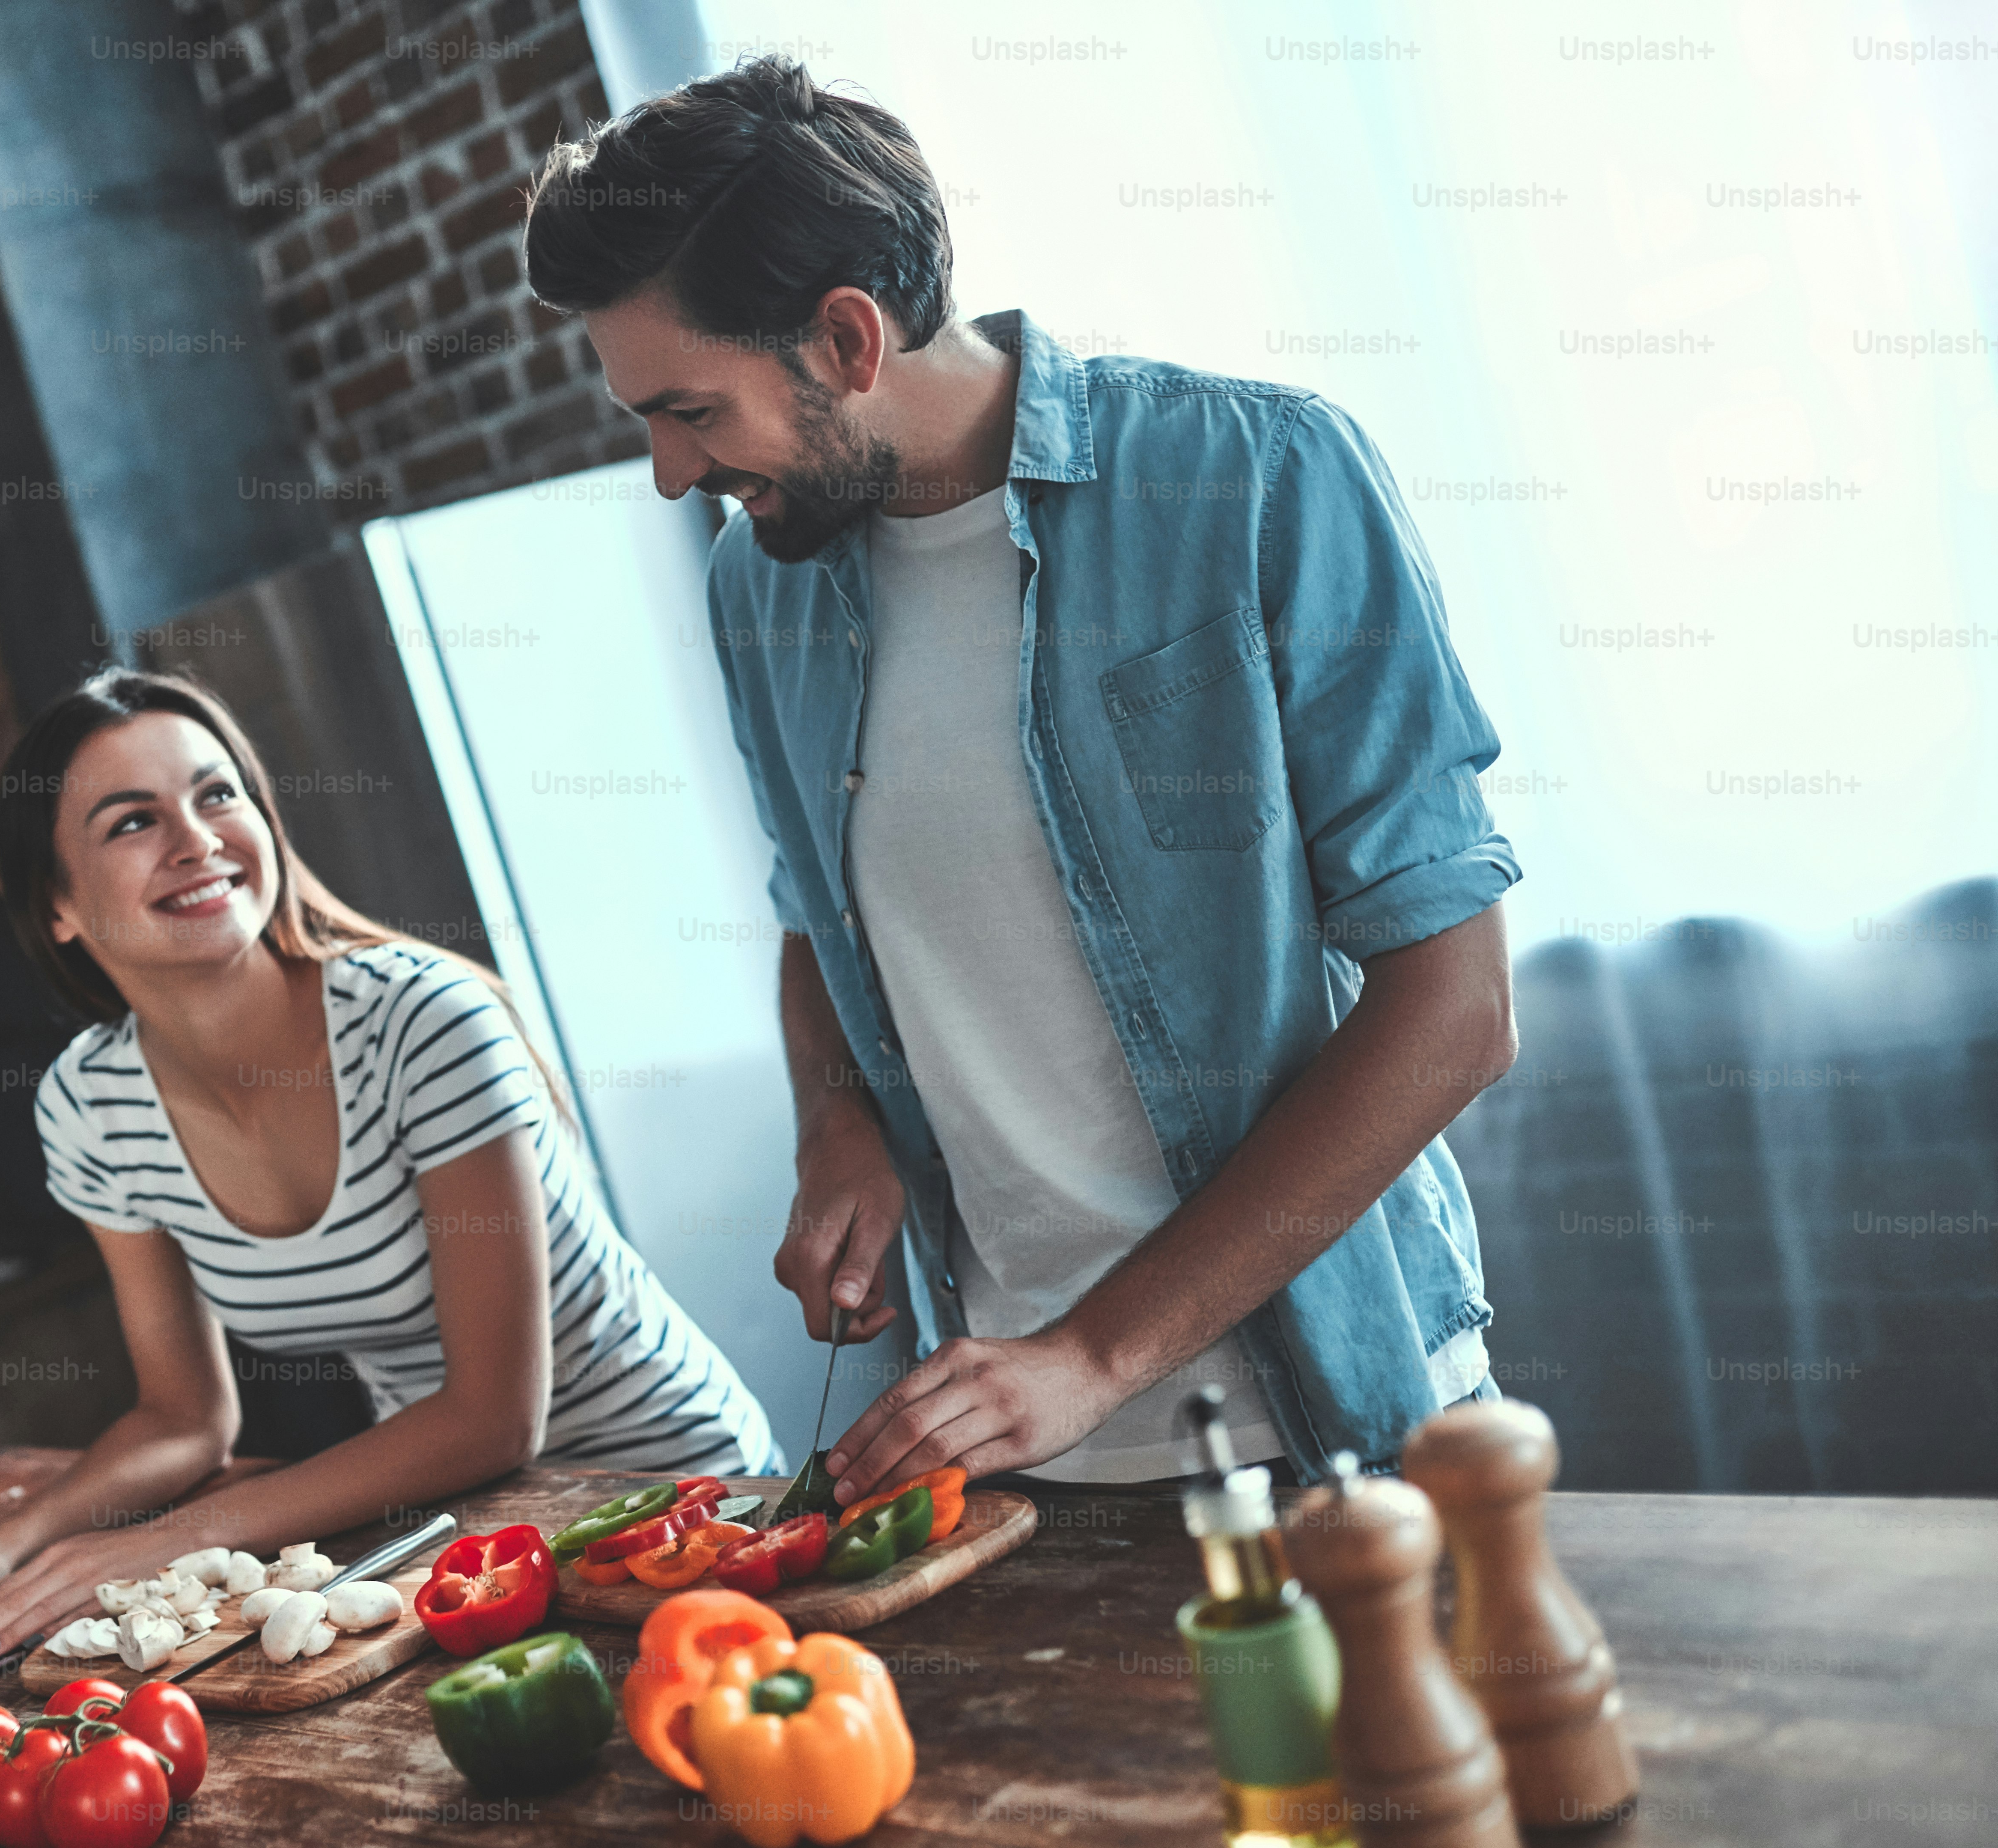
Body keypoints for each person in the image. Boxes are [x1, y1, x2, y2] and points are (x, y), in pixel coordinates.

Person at [522, 58, 1521, 1500]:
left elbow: (1457, 1010)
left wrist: (1093, 1355)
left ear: (849, 339)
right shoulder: (766, 587)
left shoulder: (1257, 479)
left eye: (691, 411)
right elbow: (820, 913)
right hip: (1014, 1465)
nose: (673, 475)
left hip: (1337, 1438)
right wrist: (838, 1120)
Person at [0, 671, 776, 1661]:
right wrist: (4, 1545)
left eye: (216, 794)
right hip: (478, 1543)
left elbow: (494, 1416)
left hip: (684, 1507)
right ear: (58, 905)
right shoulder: (90, 1105)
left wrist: (164, 1540)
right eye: (132, 821)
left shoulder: (424, 1022)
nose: (196, 839)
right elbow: (182, 1416)